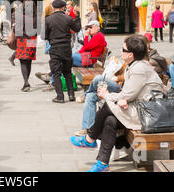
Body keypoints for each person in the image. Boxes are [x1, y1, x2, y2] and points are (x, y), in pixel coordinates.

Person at [70, 36, 164, 172]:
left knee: (109, 105)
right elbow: (129, 94)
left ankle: (90, 137)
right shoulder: (136, 65)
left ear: (131, 55)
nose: (121, 51)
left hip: (148, 114)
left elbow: (127, 95)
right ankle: (102, 163)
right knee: (110, 119)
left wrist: (107, 95)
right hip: (140, 108)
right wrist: (120, 99)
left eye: (123, 49)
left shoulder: (139, 69)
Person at [43, 0, 81, 102]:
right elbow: (77, 29)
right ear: (63, 7)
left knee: (56, 73)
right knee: (67, 72)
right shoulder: (68, 18)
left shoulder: (48, 19)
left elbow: (44, 36)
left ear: (53, 8)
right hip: (66, 48)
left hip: (55, 48)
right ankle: (71, 95)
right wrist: (77, 16)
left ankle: (60, 96)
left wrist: (51, 39)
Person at [74, 59, 126, 135]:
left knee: (98, 78)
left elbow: (129, 78)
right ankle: (88, 129)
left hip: (121, 90)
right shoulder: (129, 61)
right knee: (90, 96)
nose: (121, 51)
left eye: (124, 50)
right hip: (117, 85)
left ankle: (85, 94)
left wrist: (118, 78)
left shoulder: (139, 64)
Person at [14, 0, 38, 92]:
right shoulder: (36, 17)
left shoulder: (21, 17)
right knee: (29, 61)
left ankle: (26, 82)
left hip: (23, 40)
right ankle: (26, 82)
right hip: (32, 40)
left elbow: (18, 31)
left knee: (23, 61)